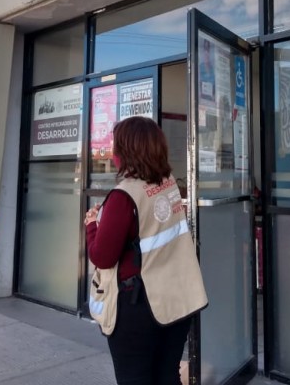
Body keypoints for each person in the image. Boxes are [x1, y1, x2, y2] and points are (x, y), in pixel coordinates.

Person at [85, 116, 207, 385]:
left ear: (126, 151)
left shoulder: (123, 196)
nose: (113, 152)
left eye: (116, 145)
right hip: (177, 299)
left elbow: (102, 257)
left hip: (139, 306)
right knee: (166, 375)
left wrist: (92, 225)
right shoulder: (168, 183)